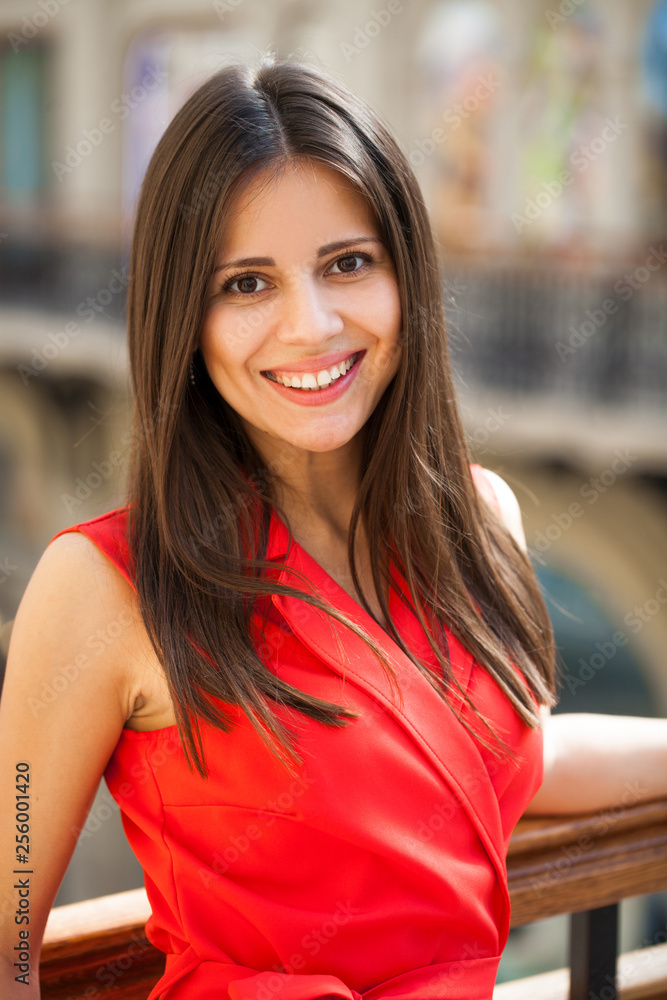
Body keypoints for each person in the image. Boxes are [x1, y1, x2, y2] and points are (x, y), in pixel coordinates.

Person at [1, 55, 666, 1000]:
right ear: (181, 315)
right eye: (245, 284)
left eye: (347, 264)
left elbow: (488, 762)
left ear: (405, 278)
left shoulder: (479, 519)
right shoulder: (105, 584)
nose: (311, 325)